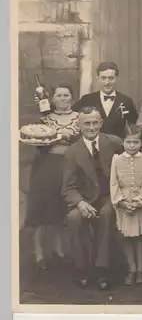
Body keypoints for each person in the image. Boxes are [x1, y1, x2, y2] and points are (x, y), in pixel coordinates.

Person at [62, 106, 123, 289]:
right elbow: (68, 187)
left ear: (101, 123)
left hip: (109, 197)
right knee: (74, 218)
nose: (91, 127)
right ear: (79, 125)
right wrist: (80, 203)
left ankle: (101, 270)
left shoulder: (114, 143)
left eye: (95, 122)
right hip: (85, 198)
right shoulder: (72, 151)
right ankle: (82, 269)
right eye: (86, 123)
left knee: (106, 216)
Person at [25, 82, 79, 270]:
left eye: (66, 95)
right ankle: (39, 252)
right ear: (53, 99)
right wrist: (51, 137)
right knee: (43, 208)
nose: (63, 99)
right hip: (47, 165)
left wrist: (70, 138)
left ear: (72, 97)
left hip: (70, 165)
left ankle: (59, 249)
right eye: (59, 96)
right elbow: (37, 141)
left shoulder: (79, 118)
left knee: (61, 207)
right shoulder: (45, 118)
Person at [110, 125, 142, 286]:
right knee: (126, 237)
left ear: (141, 143)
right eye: (129, 142)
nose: (132, 145)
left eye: (136, 142)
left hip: (140, 204)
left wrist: (138, 202)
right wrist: (121, 201)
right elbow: (113, 183)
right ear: (123, 143)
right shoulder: (117, 160)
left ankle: (141, 270)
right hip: (122, 203)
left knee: (139, 237)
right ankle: (131, 269)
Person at [72, 62, 138, 139]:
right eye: (103, 78)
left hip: (117, 146)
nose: (107, 82)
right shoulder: (86, 99)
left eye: (111, 78)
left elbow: (133, 126)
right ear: (98, 79)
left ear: (117, 79)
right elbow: (72, 115)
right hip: (92, 146)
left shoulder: (126, 101)